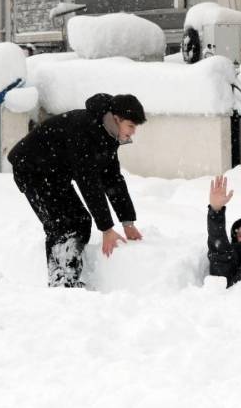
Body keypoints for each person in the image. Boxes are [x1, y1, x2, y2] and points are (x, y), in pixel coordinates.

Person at [9, 93, 146, 288]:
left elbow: (112, 178)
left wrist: (127, 222)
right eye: (131, 126)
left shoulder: (109, 135)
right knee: (62, 224)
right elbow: (89, 183)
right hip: (32, 170)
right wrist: (107, 228)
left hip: (55, 173)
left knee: (80, 220)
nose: (133, 132)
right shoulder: (85, 130)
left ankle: (68, 279)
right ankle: (61, 282)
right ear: (116, 119)